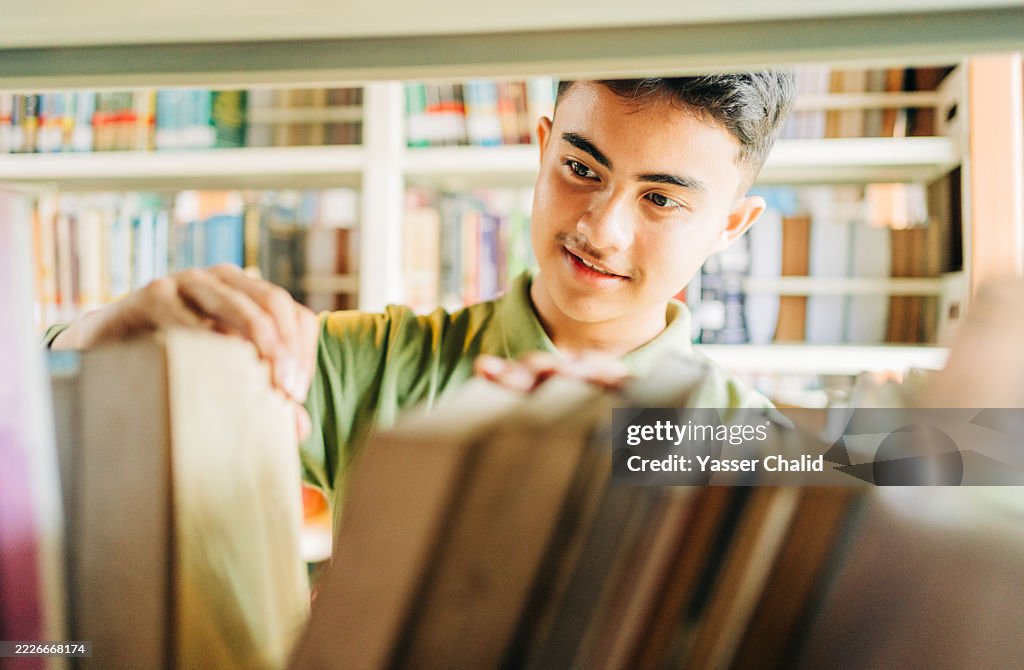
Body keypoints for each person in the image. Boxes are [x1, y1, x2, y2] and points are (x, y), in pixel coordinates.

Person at [46, 72, 796, 501]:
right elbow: (41, 438)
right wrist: (95, 346)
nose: (601, 229)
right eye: (581, 169)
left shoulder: (765, 445)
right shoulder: (363, 362)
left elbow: (907, 470)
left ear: (732, 224)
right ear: (542, 149)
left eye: (660, 200)